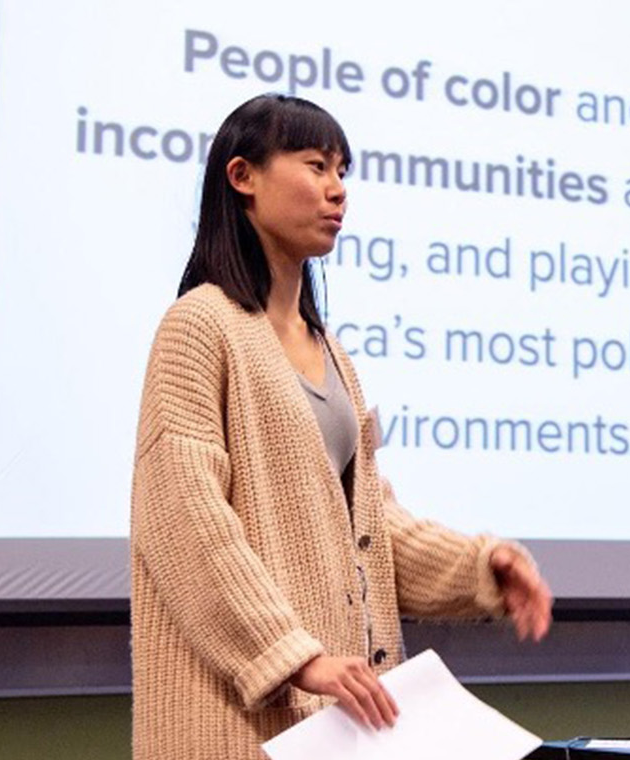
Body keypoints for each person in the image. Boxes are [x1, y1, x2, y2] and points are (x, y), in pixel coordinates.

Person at [129, 93, 552, 760]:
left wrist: (480, 566)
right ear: (242, 177)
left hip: (337, 728)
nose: (338, 190)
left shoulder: (331, 352)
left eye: (343, 171)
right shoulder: (199, 325)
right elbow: (184, 520)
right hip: (238, 729)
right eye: (316, 165)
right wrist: (294, 657)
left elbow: (368, 533)